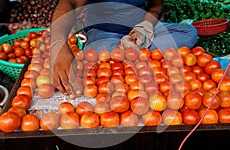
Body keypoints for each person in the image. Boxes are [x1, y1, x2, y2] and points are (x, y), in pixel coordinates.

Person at [50, 0, 198, 99]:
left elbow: (155, 6)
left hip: (139, 31)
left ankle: (128, 50)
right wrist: (58, 44)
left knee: (189, 33)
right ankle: (134, 52)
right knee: (97, 58)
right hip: (104, 33)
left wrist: (146, 25)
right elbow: (69, 2)